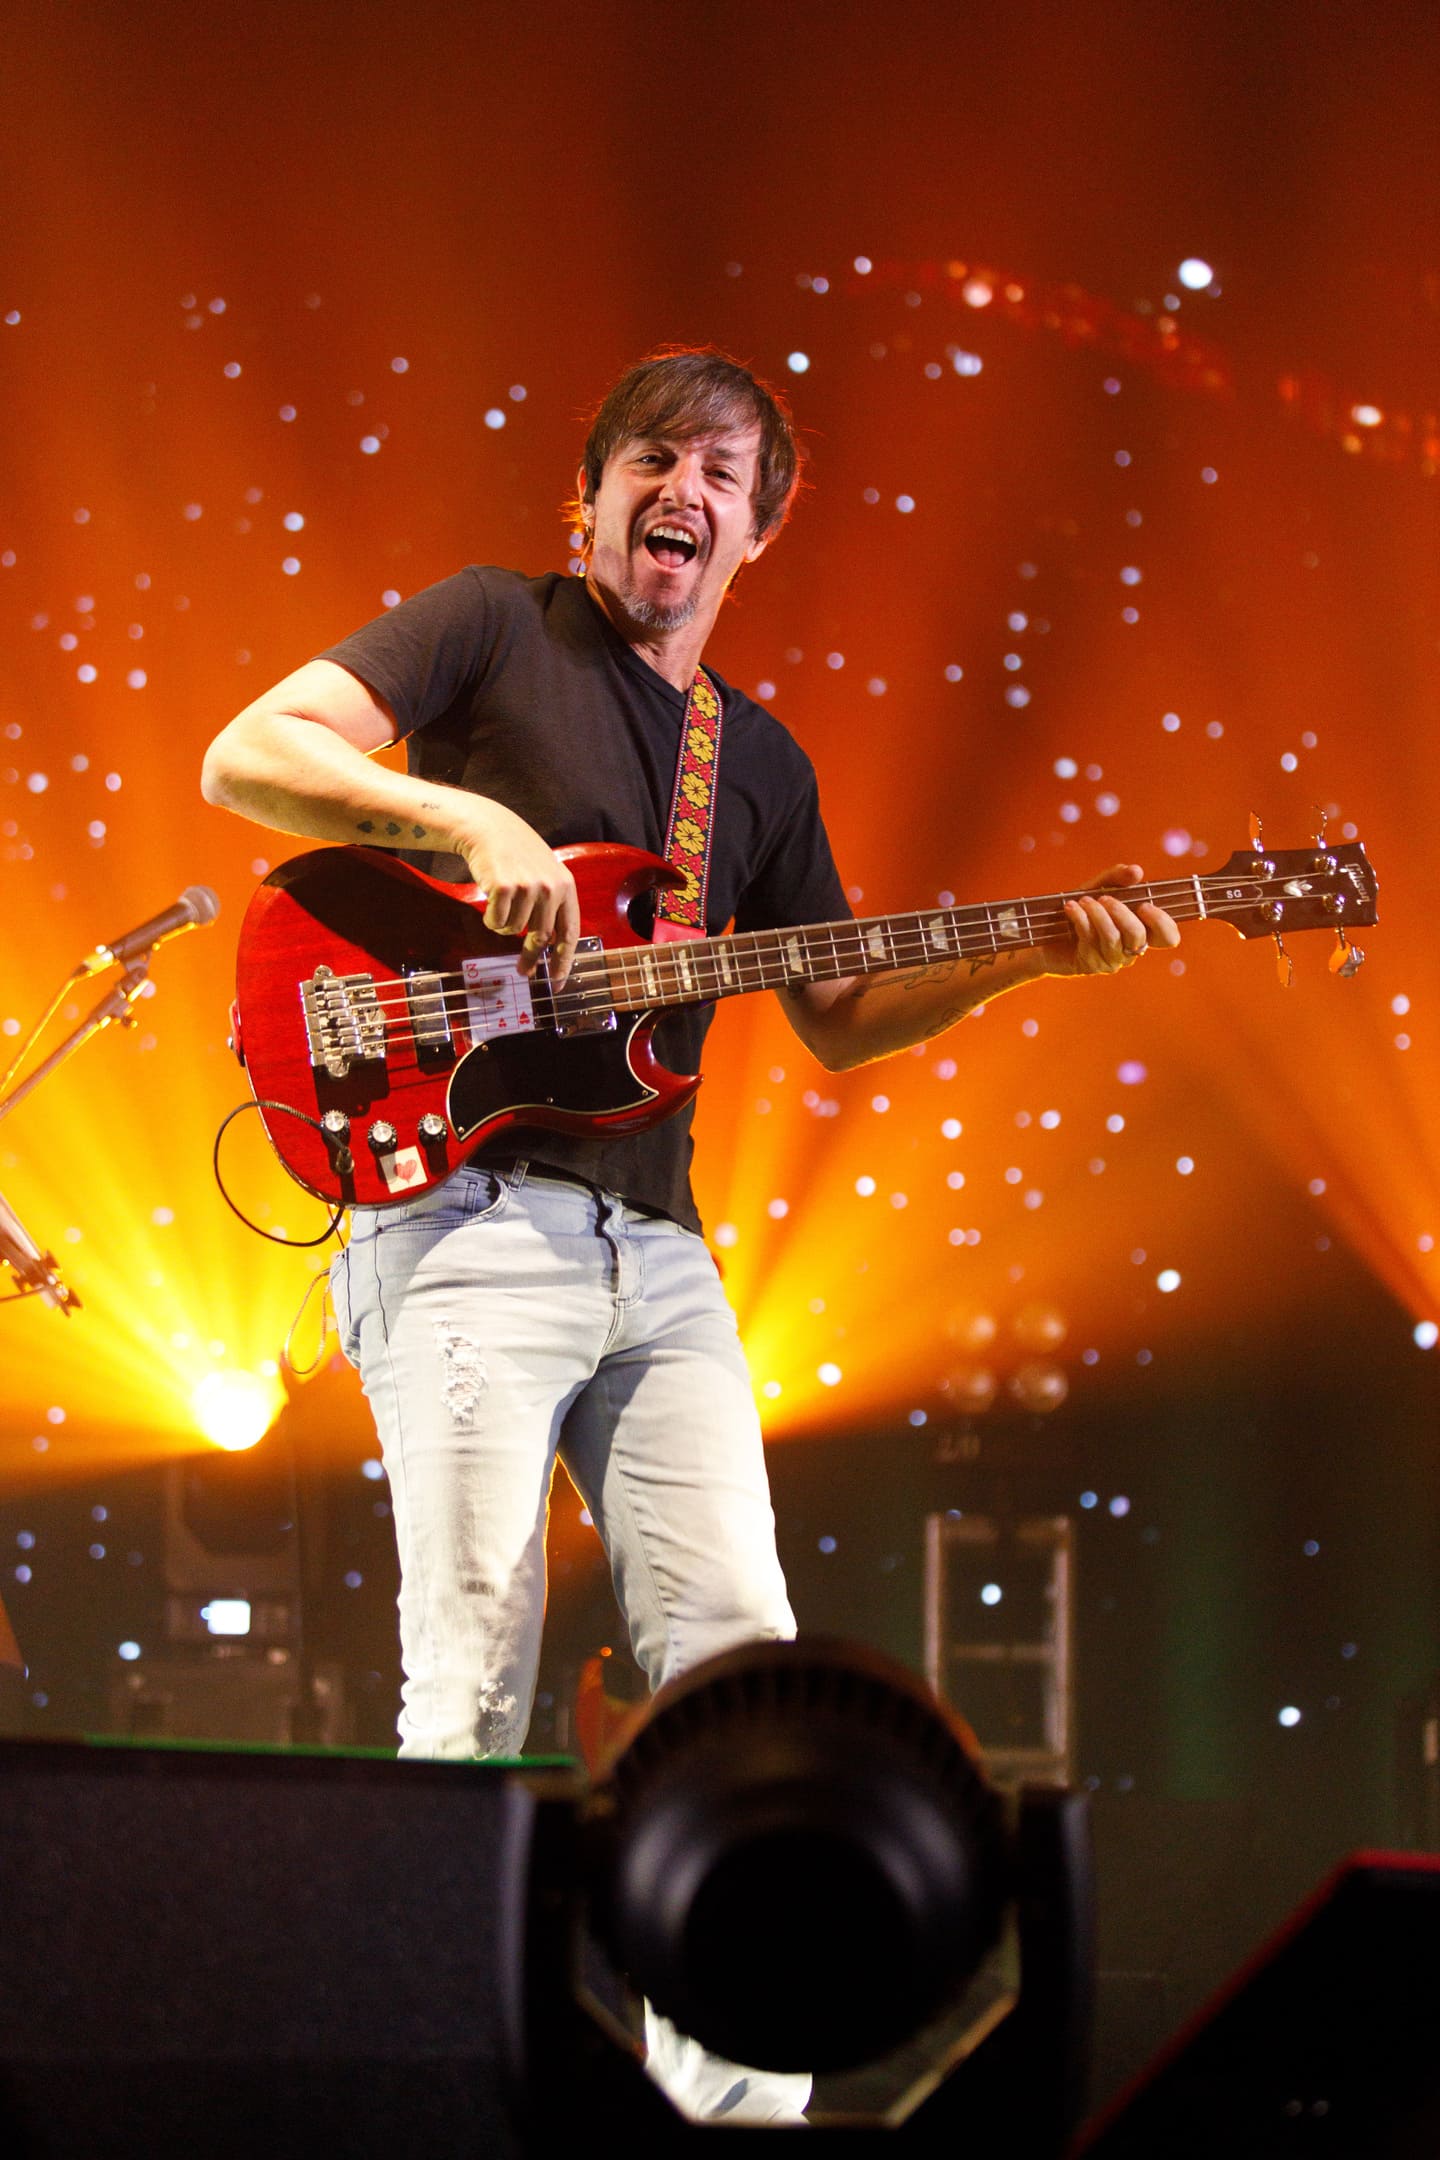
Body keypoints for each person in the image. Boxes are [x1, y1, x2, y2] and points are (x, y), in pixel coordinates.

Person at [201, 346, 1178, 2121]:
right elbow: (248, 755)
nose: (687, 491)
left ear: (755, 536)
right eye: (654, 458)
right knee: (472, 1675)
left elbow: (843, 1012)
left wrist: (1034, 950)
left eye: (724, 475)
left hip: (658, 1255)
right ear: (585, 497)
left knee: (744, 1686)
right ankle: (431, 2103)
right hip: (463, 1214)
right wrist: (463, 815)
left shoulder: (759, 762)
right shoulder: (491, 625)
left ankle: (736, 2117)